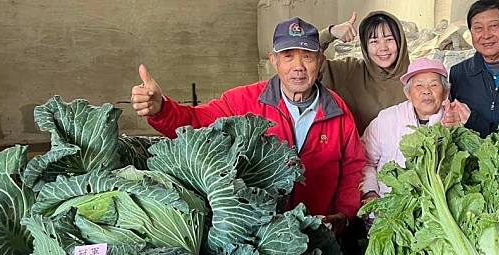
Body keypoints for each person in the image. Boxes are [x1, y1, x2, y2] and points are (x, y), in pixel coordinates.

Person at [130, 17, 365, 237]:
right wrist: (162, 109)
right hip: (257, 237)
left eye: (307, 56)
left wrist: (343, 215)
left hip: (320, 235)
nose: (298, 66)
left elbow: (353, 166)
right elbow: (196, 123)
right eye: (288, 56)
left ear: (321, 60)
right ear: (274, 61)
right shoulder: (243, 101)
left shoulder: (337, 110)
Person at [361, 58, 455, 202]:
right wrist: (371, 193)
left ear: (445, 93)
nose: (426, 92)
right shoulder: (387, 119)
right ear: (408, 94)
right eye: (419, 86)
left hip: (435, 212)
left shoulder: (454, 122)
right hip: (387, 207)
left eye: (434, 85)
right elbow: (365, 161)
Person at [318, 11, 410, 135]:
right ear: (365, 47)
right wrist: (329, 33)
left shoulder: (415, 76)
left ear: (400, 42)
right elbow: (305, 60)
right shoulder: (349, 71)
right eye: (374, 41)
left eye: (389, 39)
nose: (383, 47)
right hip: (357, 153)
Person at [449, 0, 499, 136]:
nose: (486, 35)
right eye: (478, 28)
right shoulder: (458, 74)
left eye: (493, 26)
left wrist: (473, 121)